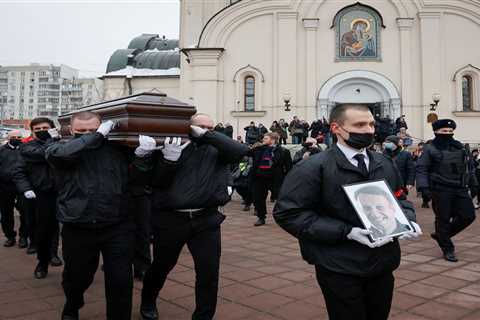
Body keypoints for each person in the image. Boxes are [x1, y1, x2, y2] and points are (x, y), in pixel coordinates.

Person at [273, 103, 421, 320]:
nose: (369, 130)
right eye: (359, 125)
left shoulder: (384, 162)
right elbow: (289, 213)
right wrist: (346, 231)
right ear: (336, 128)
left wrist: (407, 219)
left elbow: (400, 199)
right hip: (338, 264)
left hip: (382, 262)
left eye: (371, 124)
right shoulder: (313, 167)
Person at [46, 111, 184, 320]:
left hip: (117, 225)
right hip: (78, 224)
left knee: (120, 280)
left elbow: (139, 182)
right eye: (81, 131)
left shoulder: (118, 149)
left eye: (93, 130)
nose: (88, 134)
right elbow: (62, 156)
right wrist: (96, 136)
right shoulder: (57, 148)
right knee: (77, 278)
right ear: (70, 130)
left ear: (103, 127)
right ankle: (72, 305)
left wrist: (142, 157)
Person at [140, 113, 249, 320]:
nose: (206, 130)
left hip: (205, 219)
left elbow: (241, 150)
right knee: (162, 266)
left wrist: (207, 135)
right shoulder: (173, 146)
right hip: (172, 219)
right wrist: (169, 159)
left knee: (208, 272)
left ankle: (204, 316)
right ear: (189, 127)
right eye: (201, 127)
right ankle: (148, 300)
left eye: (211, 127)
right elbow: (157, 181)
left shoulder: (217, 149)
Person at [416, 119, 477, 262]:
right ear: (436, 132)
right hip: (440, 189)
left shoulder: (460, 147)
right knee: (443, 219)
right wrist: (423, 187)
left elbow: (469, 166)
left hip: (460, 188)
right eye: (444, 131)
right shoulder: (430, 148)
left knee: (468, 216)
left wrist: (473, 182)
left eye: (450, 131)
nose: (448, 133)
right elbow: (422, 168)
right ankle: (448, 249)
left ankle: (441, 235)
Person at [17, 117, 63, 279]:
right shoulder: (27, 147)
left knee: (60, 227)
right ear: (32, 132)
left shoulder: (60, 143)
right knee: (44, 228)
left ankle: (54, 254)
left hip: (64, 192)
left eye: (45, 127)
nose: (41, 130)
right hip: (42, 194)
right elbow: (45, 153)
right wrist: (26, 189)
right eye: (37, 129)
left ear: (51, 128)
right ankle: (42, 261)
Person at [250, 132, 292, 226]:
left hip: (275, 179)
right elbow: (247, 153)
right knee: (258, 198)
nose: (263, 140)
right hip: (259, 177)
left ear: (273, 140)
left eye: (266, 138)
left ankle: (283, 216)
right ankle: (261, 217)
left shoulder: (283, 151)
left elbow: (289, 167)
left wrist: (287, 179)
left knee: (281, 198)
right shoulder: (258, 149)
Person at [0, 130, 33, 248]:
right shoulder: (2, 150)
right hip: (5, 186)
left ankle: (23, 236)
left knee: (25, 212)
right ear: (8, 138)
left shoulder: (27, 150)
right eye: (13, 137)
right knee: (6, 213)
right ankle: (10, 236)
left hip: (23, 186)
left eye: (19, 137)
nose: (16, 138)